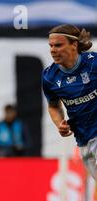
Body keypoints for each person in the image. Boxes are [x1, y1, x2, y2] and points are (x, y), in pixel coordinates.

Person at [42, 24, 96, 180]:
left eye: (58, 45)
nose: (53, 50)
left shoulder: (93, 63)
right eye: (51, 46)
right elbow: (53, 106)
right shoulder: (49, 77)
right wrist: (60, 123)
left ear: (74, 45)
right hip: (83, 141)